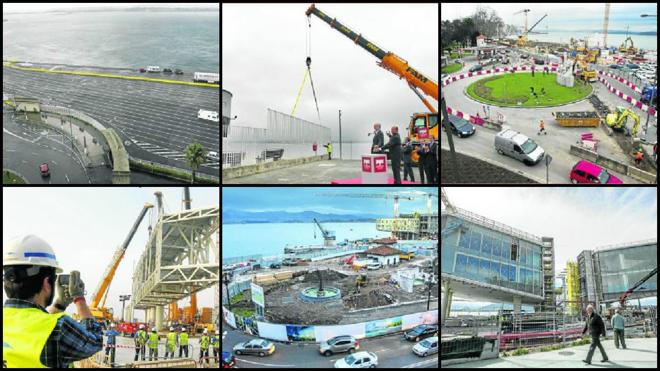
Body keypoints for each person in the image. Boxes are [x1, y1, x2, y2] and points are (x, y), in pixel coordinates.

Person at [3, 234, 103, 368]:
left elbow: (33, 326)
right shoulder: (59, 328)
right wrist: (79, 298)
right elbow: (95, 341)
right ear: (46, 282)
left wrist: (59, 305)